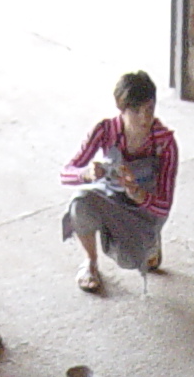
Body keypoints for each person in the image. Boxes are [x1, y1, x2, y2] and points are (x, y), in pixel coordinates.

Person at [62, 69, 179, 294]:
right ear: (121, 110)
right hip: (112, 197)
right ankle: (90, 263)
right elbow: (66, 172)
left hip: (144, 208)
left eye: (149, 109)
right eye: (135, 111)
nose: (145, 119)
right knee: (80, 203)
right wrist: (85, 174)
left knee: (129, 259)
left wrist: (140, 196)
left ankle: (149, 241)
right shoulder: (105, 130)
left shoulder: (165, 143)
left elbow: (164, 204)